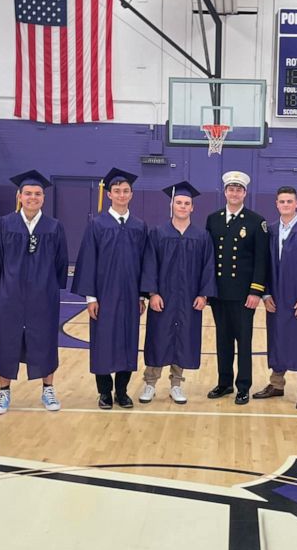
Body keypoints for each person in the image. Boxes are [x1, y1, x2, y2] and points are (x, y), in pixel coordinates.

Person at [0, 170, 69, 415]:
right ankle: (4, 393)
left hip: (44, 296)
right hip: (11, 295)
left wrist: (48, 288)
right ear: (19, 196)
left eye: (37, 194)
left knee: (45, 341)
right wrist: (0, 290)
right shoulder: (5, 224)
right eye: (28, 193)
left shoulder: (54, 227)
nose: (32, 198)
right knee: (8, 341)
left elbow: (61, 263)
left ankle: (48, 389)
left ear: (43, 198)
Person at [72, 167, 147, 409]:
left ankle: (122, 391)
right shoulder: (97, 224)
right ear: (110, 194)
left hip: (130, 295)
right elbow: (88, 261)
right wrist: (91, 298)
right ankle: (104, 392)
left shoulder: (139, 226)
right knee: (102, 342)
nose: (122, 195)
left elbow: (146, 263)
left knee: (128, 340)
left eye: (126, 191)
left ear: (131, 194)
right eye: (117, 191)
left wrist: (142, 295)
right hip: (104, 295)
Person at [139, 181, 216, 404]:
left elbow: (208, 267)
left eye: (187, 203)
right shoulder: (158, 233)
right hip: (163, 298)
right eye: (179, 203)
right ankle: (150, 384)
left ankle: (176, 385)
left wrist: (204, 295)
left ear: (193, 208)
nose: (182, 206)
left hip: (190, 298)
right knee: (157, 338)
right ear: (172, 205)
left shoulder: (201, 236)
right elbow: (150, 264)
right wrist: (152, 293)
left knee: (183, 339)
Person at [252, 186, 297, 409]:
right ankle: (276, 384)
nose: (285, 205)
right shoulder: (271, 230)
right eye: (281, 201)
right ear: (276, 204)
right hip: (276, 296)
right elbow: (263, 263)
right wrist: (265, 293)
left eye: (289, 201)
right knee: (277, 338)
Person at [206, 170, 268, 406]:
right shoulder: (213, 219)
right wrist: (208, 289)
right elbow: (209, 258)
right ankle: (224, 383)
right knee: (222, 340)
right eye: (230, 189)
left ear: (245, 193)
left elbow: (261, 260)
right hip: (220, 293)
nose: (234, 193)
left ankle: (243, 386)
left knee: (243, 341)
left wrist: (256, 291)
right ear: (225, 192)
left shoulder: (256, 221)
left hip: (244, 295)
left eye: (238, 189)